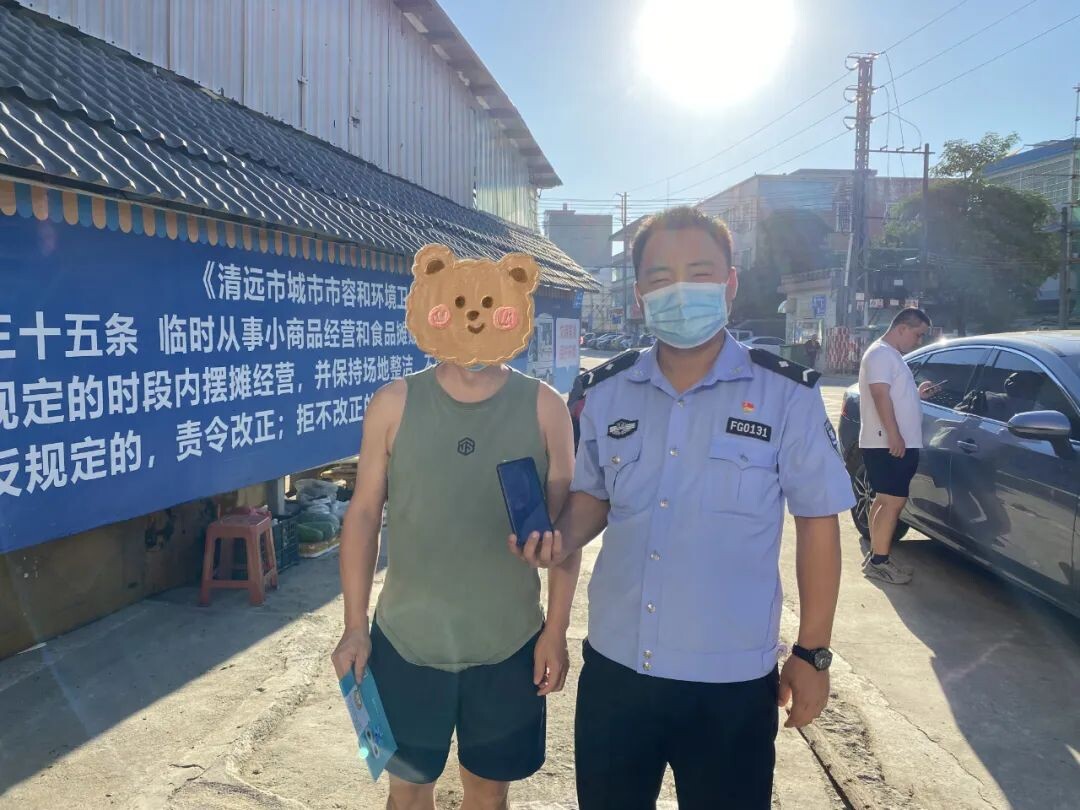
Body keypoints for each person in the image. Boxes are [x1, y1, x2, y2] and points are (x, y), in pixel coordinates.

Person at [511, 207, 855, 810]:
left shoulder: (787, 395)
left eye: (699, 273)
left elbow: (818, 524)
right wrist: (559, 539)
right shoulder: (605, 390)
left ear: (730, 283)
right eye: (660, 277)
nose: (679, 290)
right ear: (639, 293)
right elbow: (593, 496)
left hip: (731, 684)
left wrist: (812, 653)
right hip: (617, 670)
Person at [331, 246, 578, 810]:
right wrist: (354, 626)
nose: (474, 318)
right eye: (459, 305)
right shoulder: (393, 404)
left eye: (489, 305)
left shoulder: (546, 408)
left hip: (509, 642)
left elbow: (563, 534)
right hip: (404, 640)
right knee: (407, 792)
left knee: (488, 794)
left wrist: (556, 630)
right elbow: (364, 514)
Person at [857, 308, 936, 585]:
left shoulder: (889, 355)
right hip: (887, 443)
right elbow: (880, 395)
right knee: (892, 502)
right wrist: (894, 436)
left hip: (888, 442)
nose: (918, 341)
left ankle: (876, 556)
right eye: (917, 334)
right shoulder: (881, 354)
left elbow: (892, 394)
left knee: (884, 500)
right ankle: (880, 562)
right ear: (902, 328)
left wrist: (916, 395)